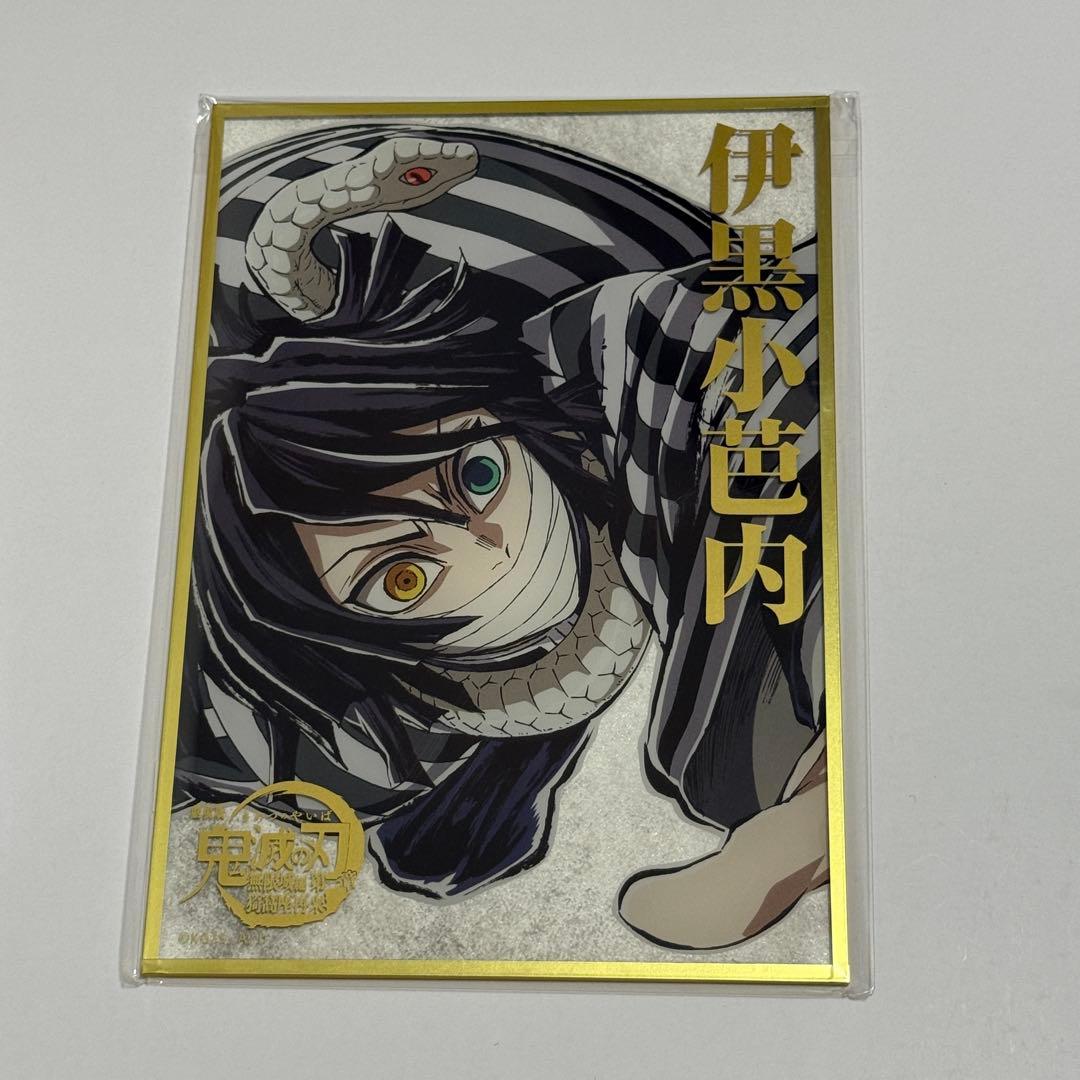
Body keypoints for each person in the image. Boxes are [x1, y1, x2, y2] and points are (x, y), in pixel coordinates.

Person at [177, 126, 827, 946]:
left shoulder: (606, 360)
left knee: (726, 750)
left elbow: (760, 348)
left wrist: (792, 820)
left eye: (475, 475)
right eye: (404, 576)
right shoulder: (307, 727)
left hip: (525, 312)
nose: (484, 540)